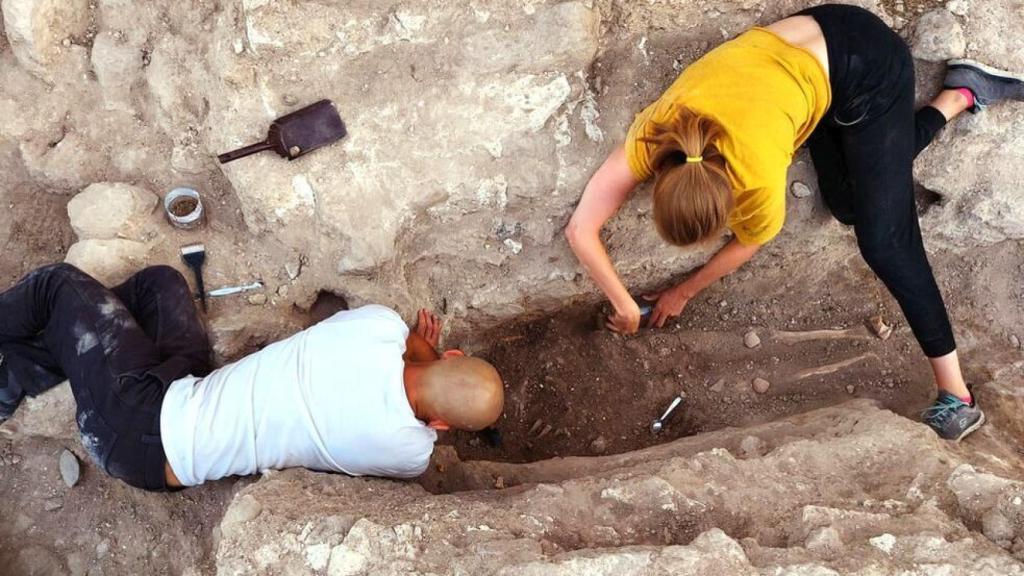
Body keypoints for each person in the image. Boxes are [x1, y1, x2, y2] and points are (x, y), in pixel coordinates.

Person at [565, 4, 1024, 441]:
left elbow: (748, 243)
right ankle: (959, 94)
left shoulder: (757, 177)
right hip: (812, 62)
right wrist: (624, 304)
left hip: (869, 64)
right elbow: (580, 227)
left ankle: (956, 395)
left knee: (884, 240)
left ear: (731, 196)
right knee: (847, 204)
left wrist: (682, 292)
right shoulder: (659, 131)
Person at [0, 263, 504, 490]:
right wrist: (437, 406)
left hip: (137, 428)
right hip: (182, 404)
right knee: (162, 286)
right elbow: (418, 419)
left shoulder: (377, 327)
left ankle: (16, 375)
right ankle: (31, 362)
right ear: (438, 426)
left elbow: (410, 347)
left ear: (448, 355)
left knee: (56, 284)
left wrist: (426, 348)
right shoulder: (410, 453)